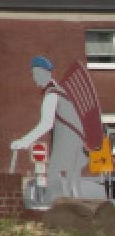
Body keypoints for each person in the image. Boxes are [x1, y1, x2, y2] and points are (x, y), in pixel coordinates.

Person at [16, 56, 101, 207]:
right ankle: (81, 212)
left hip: (67, 145)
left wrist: (24, 141)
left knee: (54, 176)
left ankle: (51, 210)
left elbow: (46, 124)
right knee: (73, 183)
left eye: (35, 75)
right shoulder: (64, 92)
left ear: (43, 73)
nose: (35, 80)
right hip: (78, 146)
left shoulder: (52, 95)